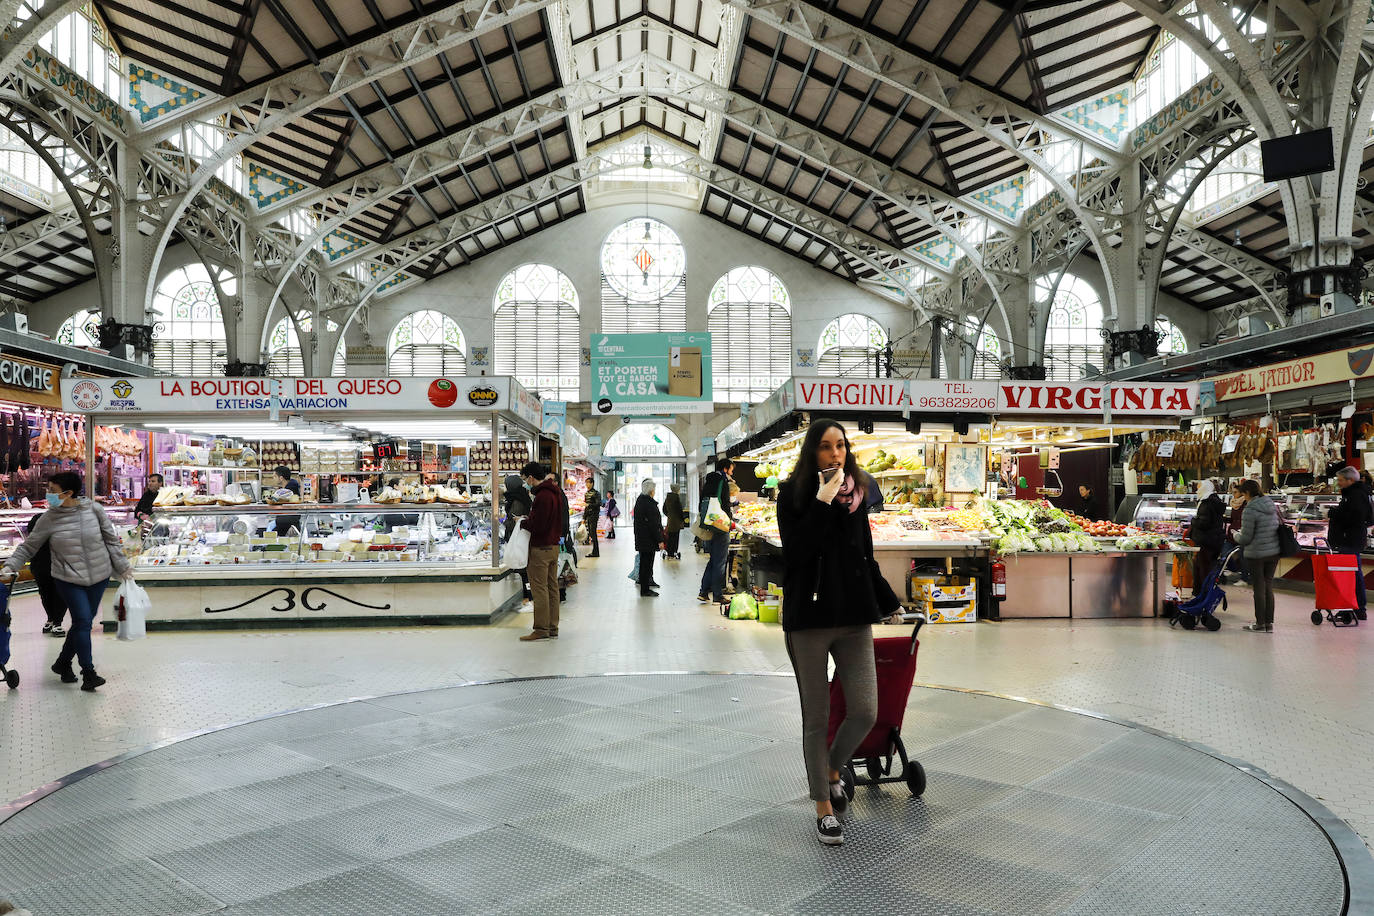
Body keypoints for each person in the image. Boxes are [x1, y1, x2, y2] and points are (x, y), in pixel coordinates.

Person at [777, 419, 899, 847]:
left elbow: (863, 556)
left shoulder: (859, 494)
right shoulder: (792, 497)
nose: (836, 454)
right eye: (826, 447)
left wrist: (889, 601)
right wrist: (821, 501)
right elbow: (797, 554)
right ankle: (823, 807)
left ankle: (831, 771)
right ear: (812, 453)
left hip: (852, 618)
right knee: (817, 717)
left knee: (865, 709)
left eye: (841, 446)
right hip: (808, 620)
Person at [1, 472, 134, 691]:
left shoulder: (94, 510)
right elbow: (28, 546)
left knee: (82, 623)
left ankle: (63, 663)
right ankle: (88, 672)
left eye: (52, 491)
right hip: (67, 577)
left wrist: (123, 567)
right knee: (82, 620)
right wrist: (11, 565)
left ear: (69, 493)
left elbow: (111, 541)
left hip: (98, 575)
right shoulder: (49, 518)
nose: (48, 495)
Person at [518, 462, 562, 641]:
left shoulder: (543, 496)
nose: (525, 483)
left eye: (525, 479)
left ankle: (541, 628)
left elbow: (539, 525)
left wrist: (522, 522)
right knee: (552, 587)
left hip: (541, 548)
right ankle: (553, 626)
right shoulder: (555, 493)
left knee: (539, 589)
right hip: (553, 547)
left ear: (530, 477)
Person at [1233, 478, 1280, 632]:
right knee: (1268, 585)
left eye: (1243, 493)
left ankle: (1260, 623)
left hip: (1257, 554)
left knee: (1259, 587)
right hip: (1273, 552)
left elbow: (1246, 538)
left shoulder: (1250, 510)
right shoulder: (1270, 504)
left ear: (1247, 493)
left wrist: (1235, 535)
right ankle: (1269, 623)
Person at [1326, 466, 1372, 620]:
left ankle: (1352, 608)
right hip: (1352, 539)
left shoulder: (1356, 495)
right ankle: (1356, 607)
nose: (1338, 483)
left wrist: (1333, 514)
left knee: (1349, 575)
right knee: (1352, 573)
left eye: (1340, 480)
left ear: (1350, 480)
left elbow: (1354, 517)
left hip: (1349, 540)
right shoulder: (1357, 493)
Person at [697, 458, 734, 604]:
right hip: (720, 526)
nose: (732, 472)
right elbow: (725, 503)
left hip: (709, 524)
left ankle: (704, 591)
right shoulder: (722, 481)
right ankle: (718, 595)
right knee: (720, 562)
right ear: (725, 469)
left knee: (713, 560)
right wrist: (729, 520)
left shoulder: (709, 481)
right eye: (731, 469)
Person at [26, 515, 65, 637]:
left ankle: (52, 620)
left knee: (46, 594)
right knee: (59, 595)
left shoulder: (37, 521)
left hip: (40, 565)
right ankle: (56, 622)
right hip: (54, 565)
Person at [1186, 480, 1226, 597]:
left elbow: (1204, 523)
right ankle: (1200, 592)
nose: (1197, 490)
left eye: (1199, 487)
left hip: (1206, 541)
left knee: (1203, 568)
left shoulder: (1207, 503)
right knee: (1203, 567)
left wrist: (1193, 520)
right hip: (1212, 540)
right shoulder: (1212, 501)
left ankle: (1203, 593)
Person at [502, 475, 532, 602]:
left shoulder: (516, 501)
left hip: (519, 538)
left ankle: (528, 596)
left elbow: (516, 520)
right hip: (523, 538)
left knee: (524, 571)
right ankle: (528, 595)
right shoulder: (521, 496)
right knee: (524, 570)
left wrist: (503, 522)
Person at [632, 479, 665, 597]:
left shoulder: (640, 501)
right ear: (651, 490)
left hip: (643, 538)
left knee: (644, 564)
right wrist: (660, 540)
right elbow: (653, 524)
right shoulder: (648, 504)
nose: (654, 491)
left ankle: (645, 587)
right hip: (648, 539)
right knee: (647, 564)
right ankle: (645, 590)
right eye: (654, 489)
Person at [271, 466, 301, 537]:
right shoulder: (287, 488)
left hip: (288, 526)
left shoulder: (289, 490)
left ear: (281, 478)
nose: (273, 479)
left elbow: (275, 499)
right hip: (285, 524)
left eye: (274, 477)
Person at [662, 483, 685, 559]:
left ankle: (669, 552)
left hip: (670, 521)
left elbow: (664, 509)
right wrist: (682, 518)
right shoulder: (676, 498)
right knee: (675, 537)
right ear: (677, 490)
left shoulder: (667, 498)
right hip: (676, 522)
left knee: (670, 537)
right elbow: (679, 510)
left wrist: (669, 515)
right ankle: (673, 552)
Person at [583, 482, 602, 558]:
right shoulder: (586, 493)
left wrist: (589, 505)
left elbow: (598, 503)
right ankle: (594, 551)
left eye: (588, 483)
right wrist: (584, 517)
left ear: (592, 483)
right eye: (586, 483)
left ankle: (596, 552)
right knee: (591, 533)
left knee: (593, 533)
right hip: (588, 515)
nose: (587, 485)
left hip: (594, 515)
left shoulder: (596, 493)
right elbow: (586, 507)